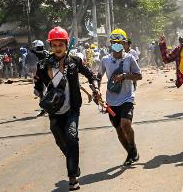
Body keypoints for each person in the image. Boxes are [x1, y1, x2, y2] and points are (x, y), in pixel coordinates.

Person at [34, 26, 100, 191]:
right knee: (61, 141)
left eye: (60, 45)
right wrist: (41, 92)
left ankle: (72, 177)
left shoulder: (74, 61)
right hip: (54, 110)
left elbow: (90, 74)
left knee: (72, 138)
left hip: (72, 108)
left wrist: (95, 88)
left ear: (66, 45)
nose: (57, 48)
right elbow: (38, 86)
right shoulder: (42, 65)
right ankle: (74, 163)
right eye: (54, 45)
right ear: (50, 46)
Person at [98, 29, 142, 166]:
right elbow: (98, 76)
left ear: (124, 43)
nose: (116, 45)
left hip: (127, 97)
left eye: (119, 42)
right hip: (111, 100)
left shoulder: (129, 58)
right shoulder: (105, 60)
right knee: (118, 129)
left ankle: (133, 146)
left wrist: (124, 76)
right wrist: (95, 89)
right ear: (110, 43)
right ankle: (130, 153)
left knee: (125, 124)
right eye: (114, 42)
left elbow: (139, 75)